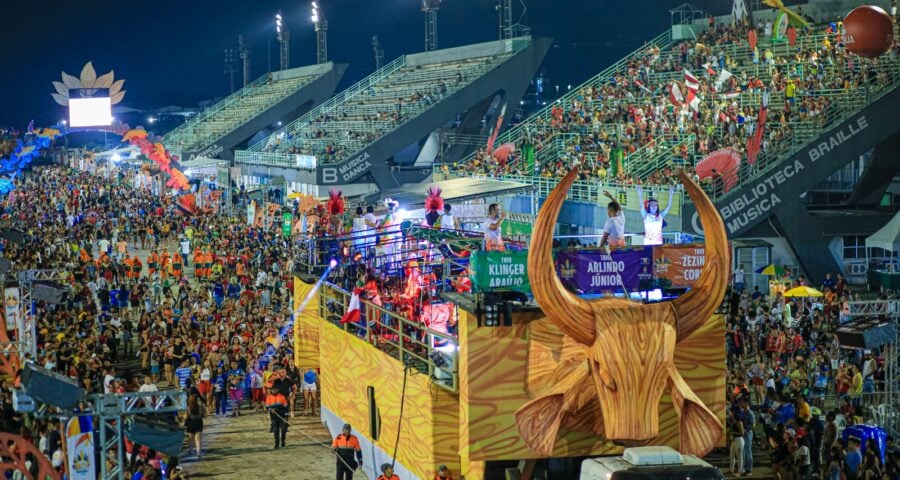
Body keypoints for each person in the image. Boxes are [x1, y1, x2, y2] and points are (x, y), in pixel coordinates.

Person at [265, 382, 289, 449]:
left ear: (277, 389)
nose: (274, 390)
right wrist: (270, 409)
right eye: (272, 389)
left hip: (282, 416)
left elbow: (286, 407)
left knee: (284, 430)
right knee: (276, 431)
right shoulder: (269, 398)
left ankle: (283, 441)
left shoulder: (282, 397)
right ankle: (276, 444)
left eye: (275, 389)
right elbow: (267, 407)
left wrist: (286, 417)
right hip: (274, 417)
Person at [184, 392, 205, 458]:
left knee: (190, 439)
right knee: (198, 439)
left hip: (191, 422)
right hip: (198, 422)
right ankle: (198, 453)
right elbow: (203, 415)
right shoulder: (200, 406)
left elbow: (186, 417)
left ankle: (191, 450)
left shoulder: (188, 407)